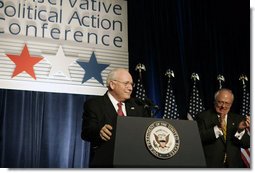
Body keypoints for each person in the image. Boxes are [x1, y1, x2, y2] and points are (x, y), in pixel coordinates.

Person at [81, 68, 151, 168]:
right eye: (126, 83)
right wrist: (99, 131)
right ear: (112, 85)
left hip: (134, 163)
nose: (130, 88)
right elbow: (86, 132)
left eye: (131, 84)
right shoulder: (94, 105)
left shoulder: (138, 107)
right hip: (106, 163)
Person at [196, 88, 250, 168]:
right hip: (212, 166)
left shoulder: (238, 119)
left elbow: (247, 144)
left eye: (227, 103)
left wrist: (240, 131)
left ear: (231, 104)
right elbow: (198, 139)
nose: (223, 106)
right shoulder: (203, 117)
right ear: (214, 101)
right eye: (220, 102)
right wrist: (217, 128)